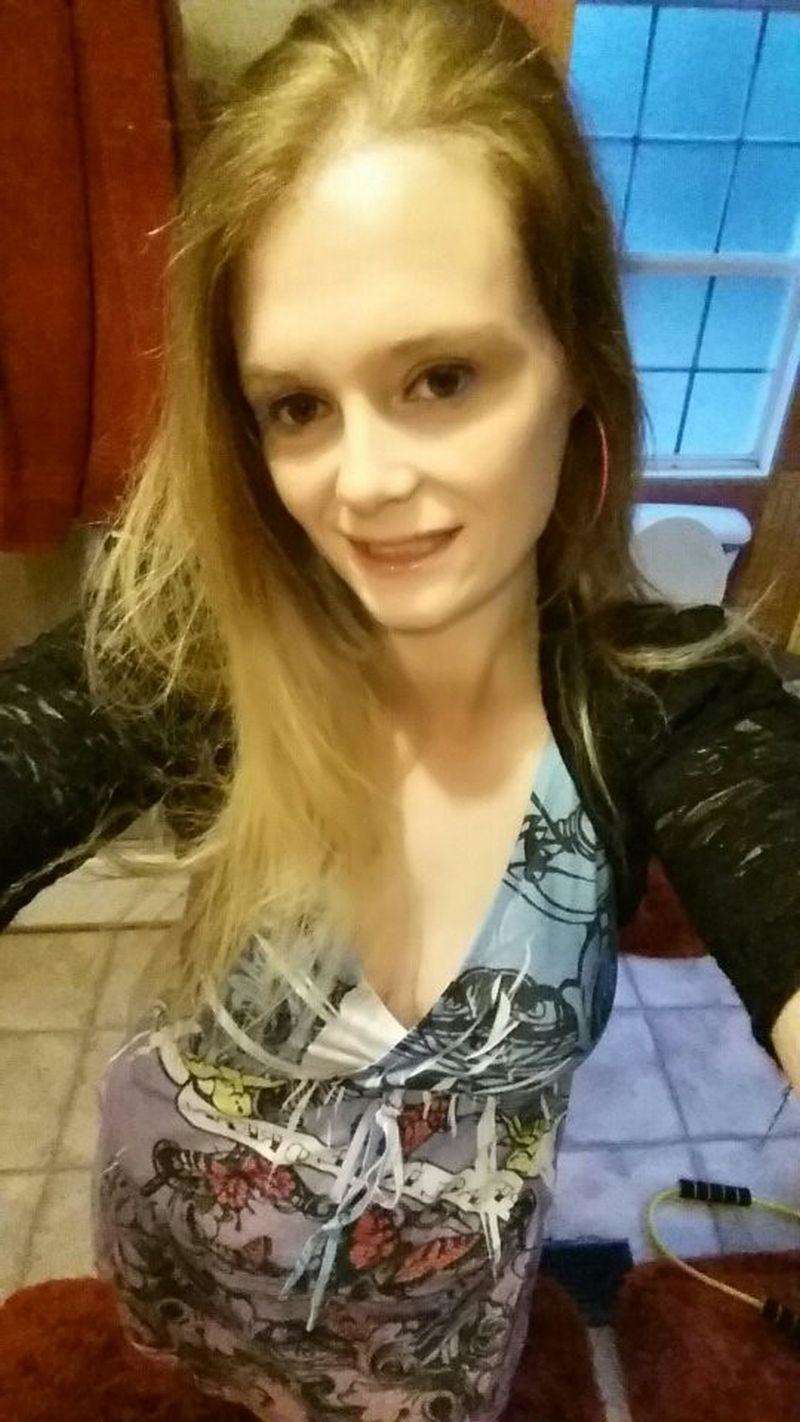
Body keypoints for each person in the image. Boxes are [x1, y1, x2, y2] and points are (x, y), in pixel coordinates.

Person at [1, 1, 799, 1417]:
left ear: (575, 365)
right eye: (298, 406)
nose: (362, 485)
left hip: (429, 1359)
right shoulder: (201, 652)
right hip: (179, 1295)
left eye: (442, 377)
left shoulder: (659, 704)